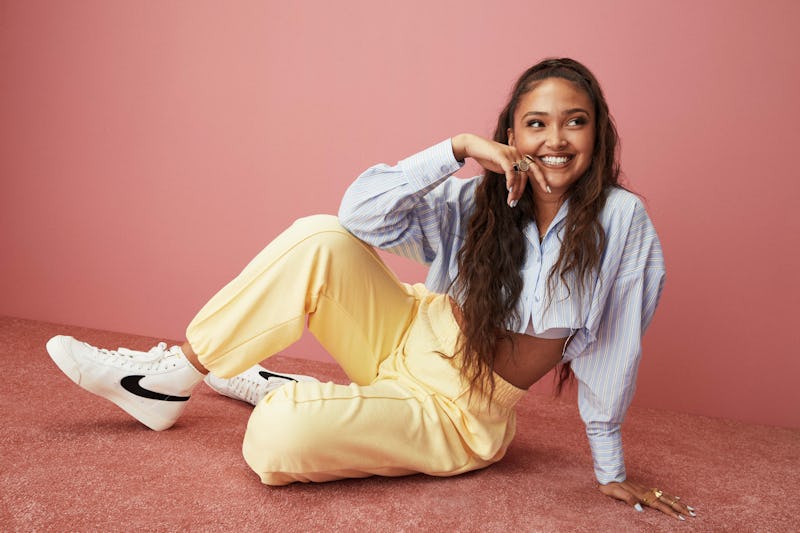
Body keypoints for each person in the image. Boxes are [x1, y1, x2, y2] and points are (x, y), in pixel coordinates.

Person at [46, 57, 694, 521]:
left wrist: (610, 466)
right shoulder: (478, 198)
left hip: (457, 411)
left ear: (598, 132)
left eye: (574, 122)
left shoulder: (619, 221)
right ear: (512, 136)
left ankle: (287, 391)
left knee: (274, 437)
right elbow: (360, 215)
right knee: (321, 234)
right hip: (408, 327)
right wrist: (457, 148)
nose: (555, 139)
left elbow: (616, 341)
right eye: (537, 124)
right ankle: (169, 376)